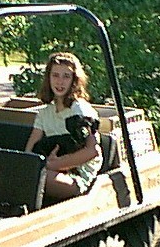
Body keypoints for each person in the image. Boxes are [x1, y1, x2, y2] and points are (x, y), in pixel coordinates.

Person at [24, 52, 103, 200]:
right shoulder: (45, 113)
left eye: (66, 76)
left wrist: (54, 165)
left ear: (74, 80)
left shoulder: (80, 110)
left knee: (38, 177)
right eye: (55, 75)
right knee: (25, 172)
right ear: (48, 78)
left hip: (77, 175)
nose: (60, 82)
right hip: (50, 168)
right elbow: (29, 151)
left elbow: (92, 151)